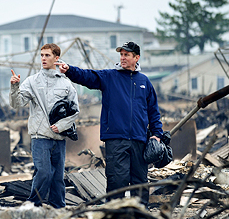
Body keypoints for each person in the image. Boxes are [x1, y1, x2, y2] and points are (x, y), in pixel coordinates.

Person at [57, 41, 163, 207]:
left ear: (137, 57)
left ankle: (141, 216)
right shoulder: (109, 77)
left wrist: (157, 134)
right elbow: (87, 76)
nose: (122, 58)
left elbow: (153, 111)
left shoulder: (144, 82)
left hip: (140, 139)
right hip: (116, 138)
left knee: (140, 181)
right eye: (121, 54)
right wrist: (69, 70)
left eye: (126, 55)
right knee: (117, 180)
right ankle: (115, 215)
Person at [9, 43, 79, 208]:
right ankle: (33, 205)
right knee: (44, 173)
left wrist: (61, 126)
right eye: (41, 55)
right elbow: (16, 103)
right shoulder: (32, 81)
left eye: (47, 55)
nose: (43, 58)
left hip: (59, 138)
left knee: (58, 178)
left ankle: (58, 208)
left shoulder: (66, 84)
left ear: (56, 58)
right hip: (40, 137)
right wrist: (14, 87)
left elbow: (75, 110)